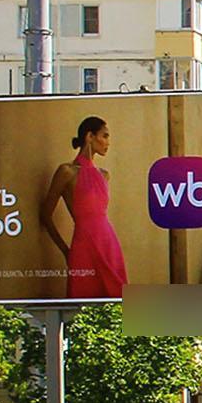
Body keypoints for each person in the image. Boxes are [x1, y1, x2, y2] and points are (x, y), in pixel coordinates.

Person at [44, 115, 128, 299]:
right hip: (83, 244)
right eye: (104, 136)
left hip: (108, 242)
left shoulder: (104, 175)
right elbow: (45, 215)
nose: (108, 142)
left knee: (117, 296)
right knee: (83, 299)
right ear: (90, 136)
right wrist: (66, 251)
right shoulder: (66, 171)